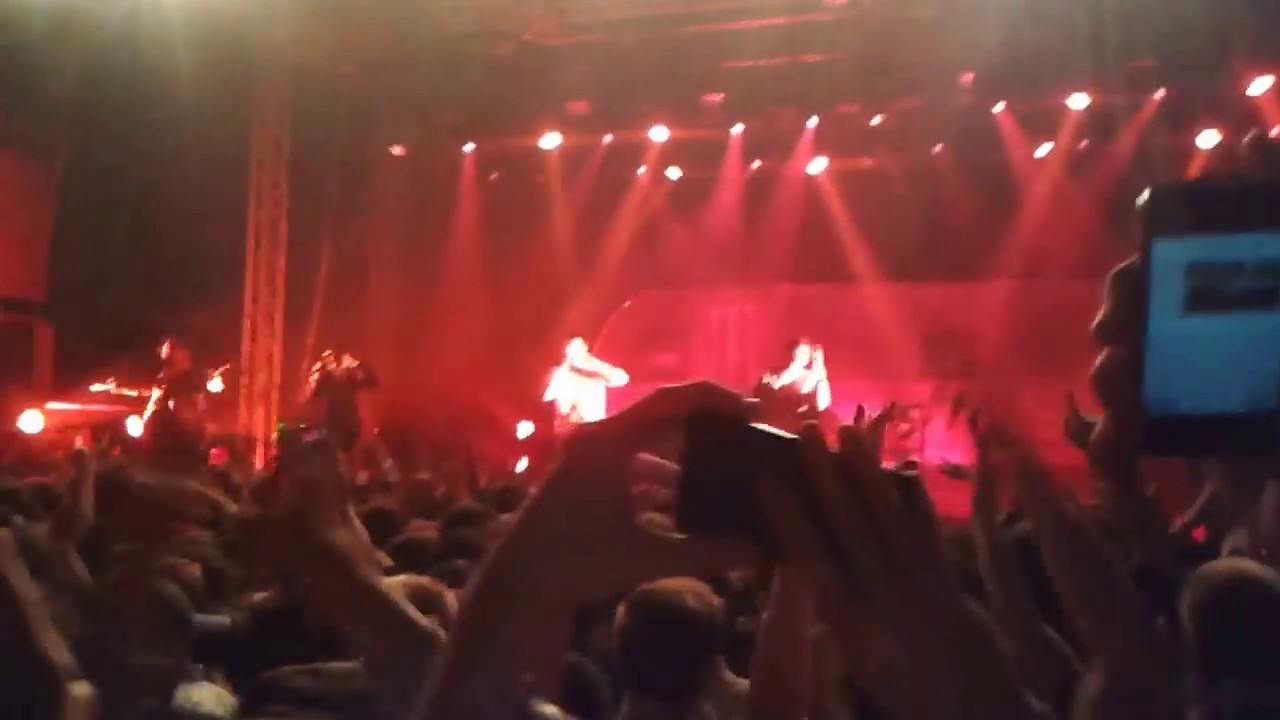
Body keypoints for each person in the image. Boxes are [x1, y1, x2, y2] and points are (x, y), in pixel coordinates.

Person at [143, 338, 209, 471]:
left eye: (171, 362)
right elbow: (151, 412)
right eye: (167, 362)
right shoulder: (161, 384)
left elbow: (201, 416)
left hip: (184, 450)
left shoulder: (193, 387)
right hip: (163, 449)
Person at [543, 337, 630, 428]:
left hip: (593, 425)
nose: (575, 352)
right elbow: (547, 399)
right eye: (571, 348)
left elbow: (623, 379)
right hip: (569, 425)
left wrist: (592, 372)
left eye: (578, 347)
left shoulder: (596, 366)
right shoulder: (560, 374)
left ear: (586, 347)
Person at [306, 349, 378, 454]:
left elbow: (371, 382)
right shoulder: (329, 377)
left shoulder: (350, 376)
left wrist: (358, 365)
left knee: (343, 451)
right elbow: (315, 394)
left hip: (346, 425)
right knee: (338, 451)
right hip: (338, 425)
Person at [755, 339, 832, 432]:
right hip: (773, 422)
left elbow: (822, 404)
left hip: (797, 424)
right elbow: (762, 395)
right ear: (793, 353)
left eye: (807, 353)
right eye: (801, 352)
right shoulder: (774, 373)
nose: (805, 356)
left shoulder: (812, 377)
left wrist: (819, 366)